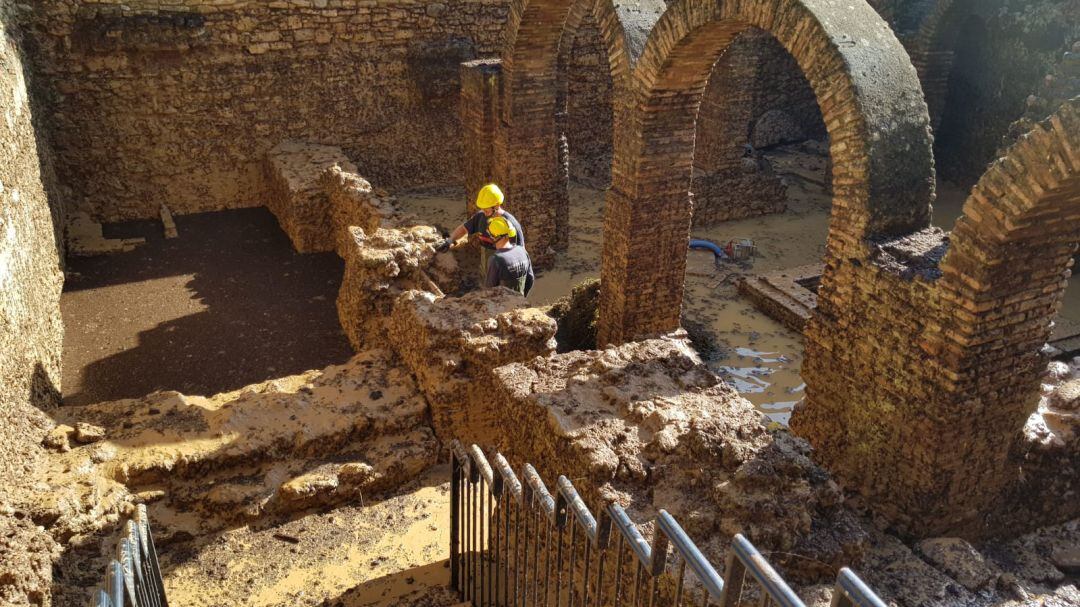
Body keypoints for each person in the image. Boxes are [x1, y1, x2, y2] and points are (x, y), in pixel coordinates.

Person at [435, 184, 524, 279]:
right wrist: (449, 241)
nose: (483, 211)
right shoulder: (481, 217)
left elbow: (521, 254)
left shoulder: (510, 224)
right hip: (486, 267)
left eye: (486, 209)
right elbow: (464, 228)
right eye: (482, 208)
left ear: (497, 205)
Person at [483, 216, 534, 297]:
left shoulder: (496, 259)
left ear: (493, 236)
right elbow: (530, 279)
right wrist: (522, 298)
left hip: (502, 305)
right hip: (520, 301)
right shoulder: (522, 251)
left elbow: (490, 288)